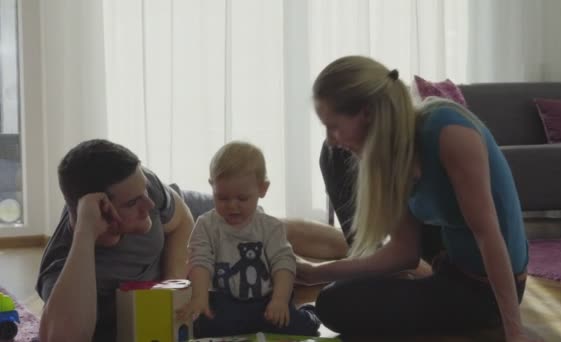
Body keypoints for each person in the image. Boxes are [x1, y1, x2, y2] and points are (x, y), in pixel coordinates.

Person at [297, 56, 540, 342]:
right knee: (333, 296)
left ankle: (475, 312)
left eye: (334, 126)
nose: (331, 137)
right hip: (448, 262)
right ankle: (421, 283)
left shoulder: (449, 132)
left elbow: (489, 235)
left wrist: (514, 331)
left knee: (333, 304)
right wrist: (313, 273)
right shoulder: (392, 154)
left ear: (366, 113)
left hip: (484, 286)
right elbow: (404, 252)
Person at [36, 139, 195, 342]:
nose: (149, 203)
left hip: (201, 214)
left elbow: (183, 221)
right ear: (100, 210)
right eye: (132, 203)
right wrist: (86, 232)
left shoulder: (138, 184)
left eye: (144, 191)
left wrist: (167, 293)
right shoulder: (61, 265)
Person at [177, 141, 320, 337]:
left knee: (297, 327)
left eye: (242, 198)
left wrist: (279, 300)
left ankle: (309, 313)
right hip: (224, 301)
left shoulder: (270, 227)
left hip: (266, 300)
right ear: (212, 187)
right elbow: (199, 261)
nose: (232, 206)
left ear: (263, 189)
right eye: (222, 198)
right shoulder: (206, 225)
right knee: (204, 325)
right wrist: (200, 297)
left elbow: (284, 264)